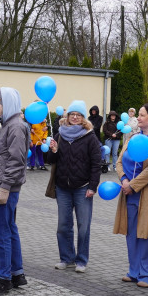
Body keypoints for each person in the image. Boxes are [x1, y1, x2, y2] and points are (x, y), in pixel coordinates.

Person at [114, 103, 148, 288]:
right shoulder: (132, 138)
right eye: (138, 114)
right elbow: (119, 161)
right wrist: (123, 180)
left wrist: (133, 186)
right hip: (129, 193)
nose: (138, 118)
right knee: (132, 234)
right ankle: (134, 271)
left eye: (142, 115)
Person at [45, 101, 102, 273]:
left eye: (78, 115)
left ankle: (81, 260)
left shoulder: (90, 137)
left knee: (83, 226)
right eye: (72, 114)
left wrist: (93, 186)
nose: (75, 117)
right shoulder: (60, 135)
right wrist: (53, 151)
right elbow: (50, 161)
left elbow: (96, 164)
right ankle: (66, 258)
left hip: (83, 188)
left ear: (83, 118)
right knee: (63, 225)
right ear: (67, 117)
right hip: (63, 187)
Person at [0, 87, 30, 296]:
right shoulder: (7, 125)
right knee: (10, 229)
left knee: (2, 232)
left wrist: (4, 188)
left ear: (8, 103)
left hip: (4, 187)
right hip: (2, 185)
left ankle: (4, 278)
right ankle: (16, 273)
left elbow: (16, 160)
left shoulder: (16, 127)